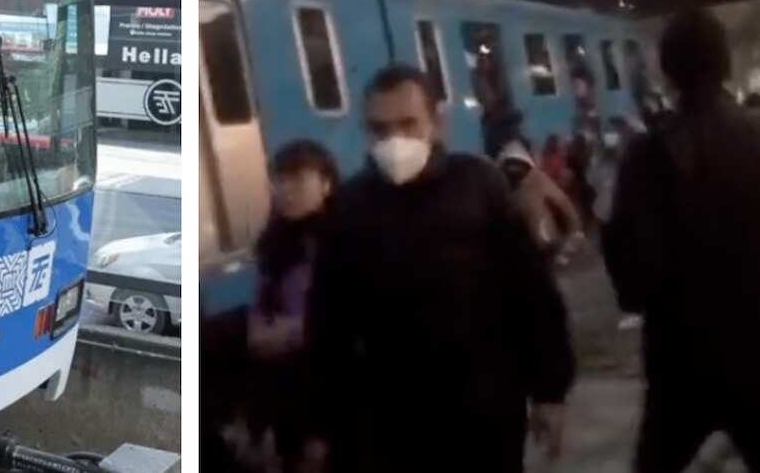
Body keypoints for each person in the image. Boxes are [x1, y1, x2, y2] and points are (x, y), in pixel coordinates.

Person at [302, 65, 574, 473]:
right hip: (393, 418)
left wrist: (550, 390)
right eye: (380, 129)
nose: (395, 141)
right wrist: (323, 424)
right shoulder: (351, 207)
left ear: (438, 123)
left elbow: (532, 292)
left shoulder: (480, 186)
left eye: (409, 124)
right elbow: (328, 323)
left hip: (486, 407)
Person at [601, 10, 760, 473]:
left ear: (667, 71)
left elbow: (632, 279)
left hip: (680, 363)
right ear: (727, 64)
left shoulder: (646, 156)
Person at [246, 140, 339, 473]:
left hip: (329, 393)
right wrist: (264, 333)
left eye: (298, 180)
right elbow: (260, 311)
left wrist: (291, 330)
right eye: (280, 180)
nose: (286, 190)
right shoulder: (275, 242)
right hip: (281, 387)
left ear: (326, 184)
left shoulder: (341, 242)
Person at [497, 140, 585, 269]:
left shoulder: (537, 180)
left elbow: (563, 204)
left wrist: (574, 227)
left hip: (544, 240)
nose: (513, 169)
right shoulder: (504, 188)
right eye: (510, 165)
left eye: (516, 164)